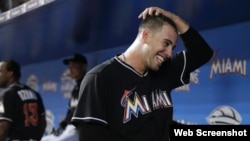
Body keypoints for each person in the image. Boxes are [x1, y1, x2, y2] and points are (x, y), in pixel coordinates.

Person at [71, 6, 214, 141]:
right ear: (146, 35)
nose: (169, 53)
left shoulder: (165, 70)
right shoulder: (100, 77)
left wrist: (174, 18)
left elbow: (203, 53)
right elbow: (90, 136)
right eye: (166, 43)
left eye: (172, 47)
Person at [42, 54, 88, 141]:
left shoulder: (90, 84)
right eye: (69, 66)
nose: (70, 69)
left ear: (83, 66)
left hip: (80, 130)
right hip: (70, 129)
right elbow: (70, 112)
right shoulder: (75, 89)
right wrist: (62, 124)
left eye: (74, 65)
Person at [0, 59, 46, 141]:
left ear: (10, 74)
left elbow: (3, 125)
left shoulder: (6, 95)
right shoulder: (35, 93)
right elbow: (43, 123)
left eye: (0, 72)